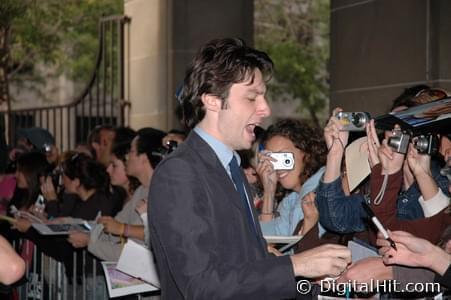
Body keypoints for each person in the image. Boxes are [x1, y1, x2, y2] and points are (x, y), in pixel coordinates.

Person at [148, 38, 351, 299]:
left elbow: (241, 263)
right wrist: (296, 265)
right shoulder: (179, 173)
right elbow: (201, 286)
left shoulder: (230, 166)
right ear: (212, 101)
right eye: (252, 97)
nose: (265, 109)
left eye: (263, 97)